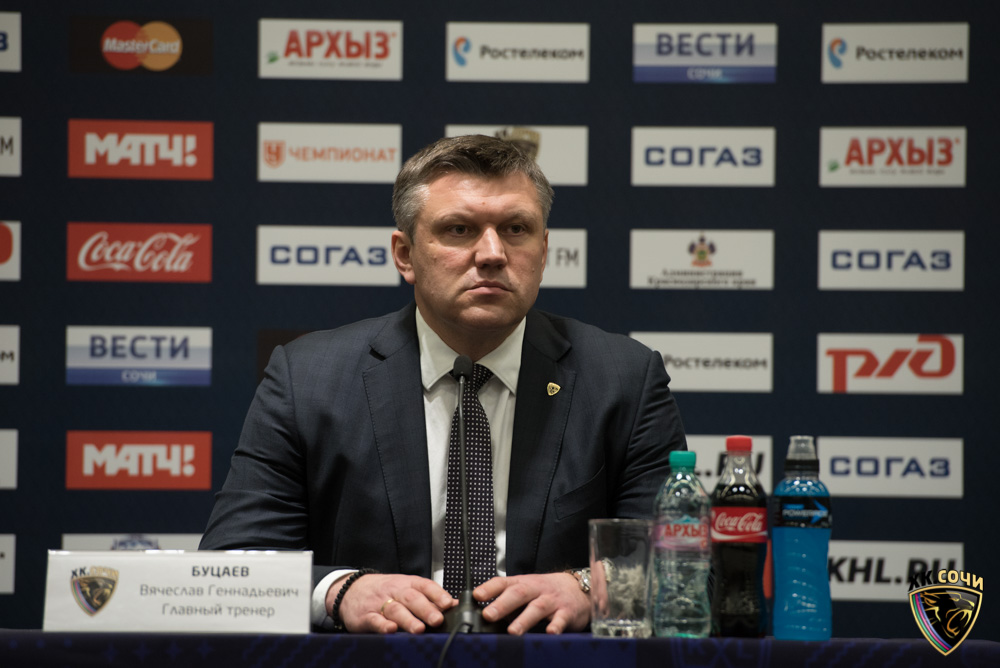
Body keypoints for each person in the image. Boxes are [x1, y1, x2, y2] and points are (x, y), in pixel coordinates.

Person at [200, 135, 686, 635]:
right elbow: (232, 564)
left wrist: (589, 587)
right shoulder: (307, 378)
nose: (492, 253)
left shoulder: (623, 379)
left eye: (516, 229)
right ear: (405, 254)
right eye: (459, 229)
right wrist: (341, 590)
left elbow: (685, 567)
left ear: (543, 252)